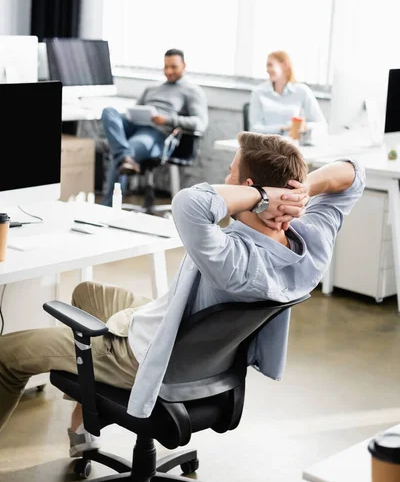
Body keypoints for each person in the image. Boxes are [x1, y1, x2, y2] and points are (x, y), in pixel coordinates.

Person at [0, 132, 364, 454]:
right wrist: (301, 193)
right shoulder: (311, 245)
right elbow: (353, 173)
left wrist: (261, 196)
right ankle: (85, 424)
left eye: (232, 174)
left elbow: (189, 203)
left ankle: (93, 384)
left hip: (143, 358)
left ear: (253, 190)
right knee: (85, 292)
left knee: (6, 355)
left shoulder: (235, 259)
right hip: (181, 335)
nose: (225, 180)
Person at [101, 48, 208, 206]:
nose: (168, 71)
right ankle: (124, 156)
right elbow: (135, 110)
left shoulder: (192, 91)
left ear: (184, 66)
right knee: (109, 111)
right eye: (166, 67)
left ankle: (109, 206)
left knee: (123, 153)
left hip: (157, 134)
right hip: (136, 125)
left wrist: (166, 120)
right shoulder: (151, 88)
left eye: (173, 67)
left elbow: (200, 123)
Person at [249, 50, 327, 139]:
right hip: (267, 145)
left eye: (270, 65)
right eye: (267, 66)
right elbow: (254, 129)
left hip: (293, 145)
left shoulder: (302, 91)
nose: (267, 70)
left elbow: (321, 125)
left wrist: (304, 127)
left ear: (285, 65)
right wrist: (283, 128)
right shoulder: (258, 92)